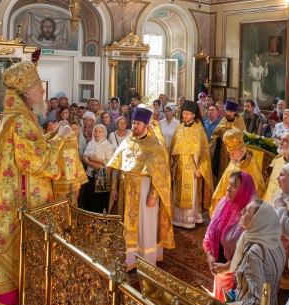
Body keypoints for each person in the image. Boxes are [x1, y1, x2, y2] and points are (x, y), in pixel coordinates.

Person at [0, 58, 74, 305]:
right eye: (39, 88)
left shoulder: (18, 116)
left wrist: (53, 137)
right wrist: (62, 138)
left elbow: (34, 147)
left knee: (13, 255)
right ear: (27, 92)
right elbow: (36, 160)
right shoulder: (21, 120)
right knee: (19, 253)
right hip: (21, 201)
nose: (43, 92)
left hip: (12, 197)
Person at [107, 106, 174, 271]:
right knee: (127, 226)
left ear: (146, 125)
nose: (134, 126)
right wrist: (114, 187)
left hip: (145, 192)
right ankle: (129, 259)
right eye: (133, 123)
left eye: (137, 123)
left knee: (146, 225)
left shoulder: (156, 146)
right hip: (126, 191)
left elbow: (161, 175)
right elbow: (117, 166)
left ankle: (147, 259)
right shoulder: (128, 141)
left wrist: (153, 195)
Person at [228, 198, 285, 305]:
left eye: (246, 212)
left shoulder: (254, 252)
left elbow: (258, 303)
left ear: (257, 221)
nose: (241, 212)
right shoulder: (275, 240)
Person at [203, 171, 256, 300]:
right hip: (219, 267)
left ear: (244, 191)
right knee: (219, 301)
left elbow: (250, 253)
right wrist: (210, 256)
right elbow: (210, 233)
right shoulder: (223, 203)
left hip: (237, 275)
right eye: (229, 184)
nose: (228, 189)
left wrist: (227, 267)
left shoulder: (250, 215)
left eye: (234, 186)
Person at [170, 100, 213, 229]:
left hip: (193, 167)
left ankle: (191, 219)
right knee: (177, 193)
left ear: (194, 115)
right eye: (184, 113)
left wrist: (201, 169)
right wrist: (171, 165)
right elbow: (173, 148)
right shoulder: (179, 128)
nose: (185, 116)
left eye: (188, 114)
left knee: (192, 194)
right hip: (178, 167)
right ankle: (178, 219)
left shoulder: (199, 129)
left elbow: (204, 153)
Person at [209, 128, 266, 215]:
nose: (230, 156)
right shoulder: (234, 161)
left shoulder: (251, 166)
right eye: (229, 152)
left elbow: (256, 190)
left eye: (232, 153)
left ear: (242, 151)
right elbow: (223, 184)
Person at [82, 124, 114, 213]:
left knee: (99, 202)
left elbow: (109, 163)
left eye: (100, 131)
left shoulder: (108, 146)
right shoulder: (90, 143)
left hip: (101, 177)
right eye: (96, 131)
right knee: (89, 200)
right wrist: (91, 163)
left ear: (104, 133)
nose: (97, 133)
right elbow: (84, 156)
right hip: (90, 175)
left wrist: (95, 160)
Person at [210, 99, 245, 179]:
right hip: (223, 152)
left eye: (230, 111)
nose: (228, 113)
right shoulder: (223, 121)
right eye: (227, 110)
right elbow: (214, 135)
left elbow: (243, 137)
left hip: (236, 153)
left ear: (234, 112)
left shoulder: (239, 122)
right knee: (223, 173)